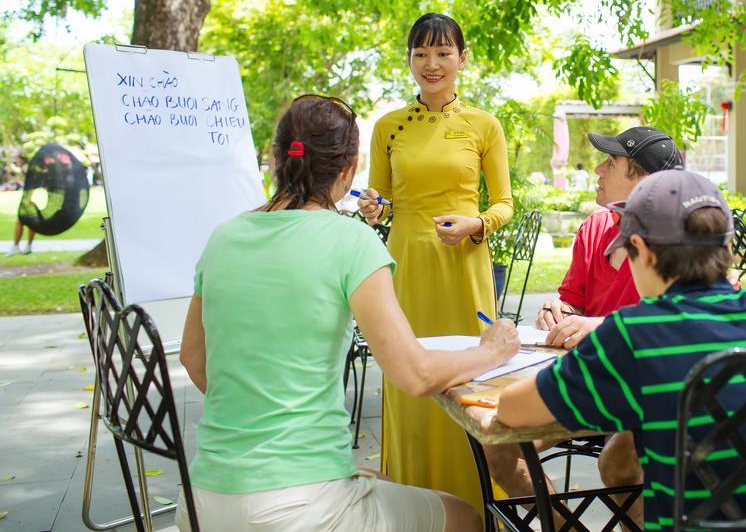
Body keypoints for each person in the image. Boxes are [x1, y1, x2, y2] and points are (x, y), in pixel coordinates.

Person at [178, 95, 520, 531]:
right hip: (299, 506)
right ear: (349, 168)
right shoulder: (351, 241)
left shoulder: (223, 237)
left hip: (203, 500)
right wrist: (491, 352)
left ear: (276, 157)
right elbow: (415, 374)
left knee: (378, 485)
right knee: (466, 518)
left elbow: (193, 357)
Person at [496, 167, 746, 531]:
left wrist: (492, 353)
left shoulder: (633, 334)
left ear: (641, 250)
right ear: (728, 247)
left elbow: (513, 410)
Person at [484, 126, 683, 523]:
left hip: (644, 393)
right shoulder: (595, 228)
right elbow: (571, 299)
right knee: (498, 446)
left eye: (611, 162)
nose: (597, 168)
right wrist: (558, 310)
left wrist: (603, 327)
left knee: (621, 461)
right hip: (585, 386)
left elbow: (686, 321)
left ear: (643, 180)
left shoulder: (681, 241)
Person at [358, 13, 513, 512]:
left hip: (464, 267)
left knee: (472, 376)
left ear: (462, 60)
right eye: (421, 54)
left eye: (443, 53)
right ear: (409, 59)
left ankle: (475, 499)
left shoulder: (484, 125)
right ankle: (414, 501)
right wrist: (373, 206)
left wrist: (477, 224)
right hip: (404, 262)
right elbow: (381, 198)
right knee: (407, 371)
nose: (432, 64)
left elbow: (504, 205)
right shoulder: (387, 126)